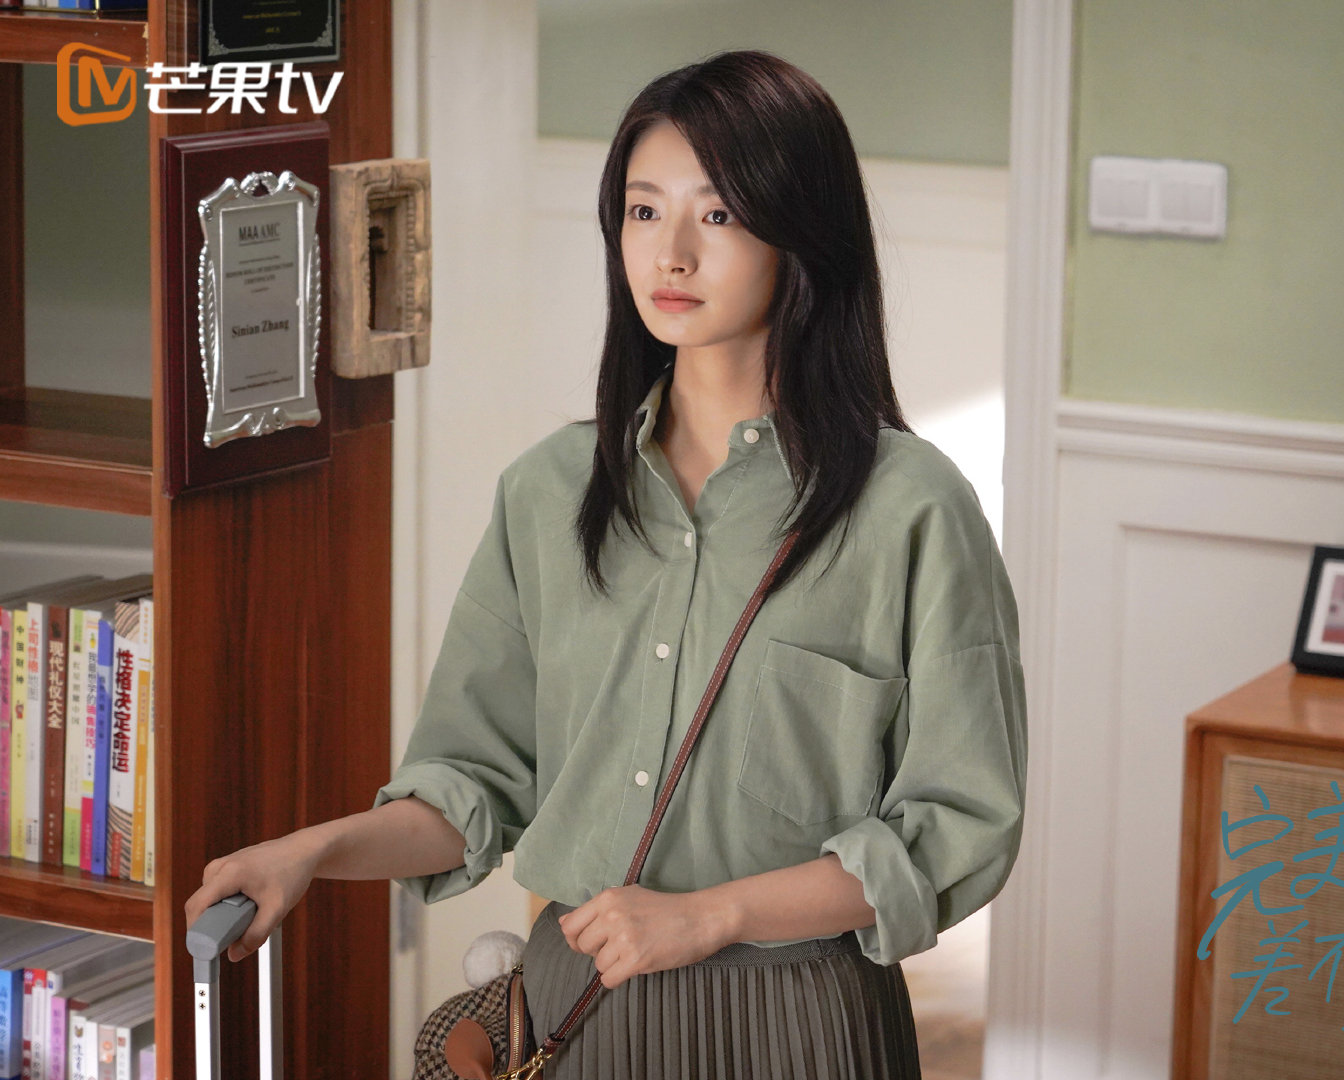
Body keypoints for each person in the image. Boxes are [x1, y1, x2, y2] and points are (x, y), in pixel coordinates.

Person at [183, 49, 1027, 1080]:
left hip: (800, 1019)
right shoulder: (547, 493)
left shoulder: (912, 509)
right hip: (577, 1005)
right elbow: (472, 783)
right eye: (642, 210)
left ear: (801, 232)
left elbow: (959, 824)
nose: (672, 252)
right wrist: (312, 850)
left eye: (717, 214)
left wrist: (713, 915)